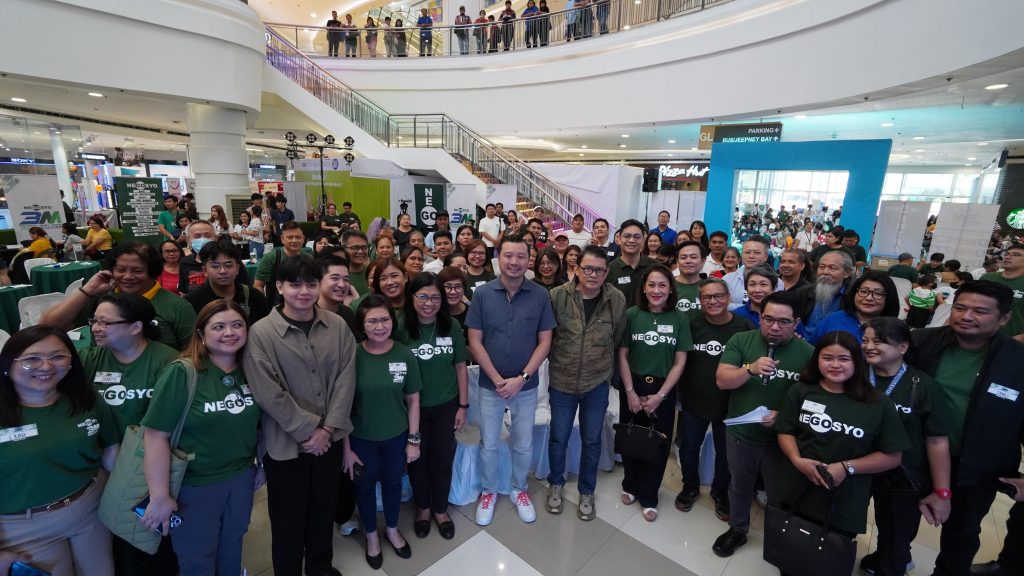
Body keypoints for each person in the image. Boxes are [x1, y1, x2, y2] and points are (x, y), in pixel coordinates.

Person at [244, 254, 357, 576]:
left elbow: (346, 379)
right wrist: (311, 430)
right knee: (287, 518)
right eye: (294, 284)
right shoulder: (261, 334)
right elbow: (269, 393)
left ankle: (320, 566)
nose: (303, 291)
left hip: (330, 440)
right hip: (285, 446)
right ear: (279, 286)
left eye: (310, 283)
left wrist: (329, 428)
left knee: (323, 510)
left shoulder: (336, 326)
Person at [905, 281, 1024, 576]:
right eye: (960, 307)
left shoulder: (1017, 361)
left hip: (978, 466)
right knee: (900, 519)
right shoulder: (921, 342)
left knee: (962, 532)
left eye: (980, 311)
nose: (967, 316)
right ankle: (891, 561)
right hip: (915, 455)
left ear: (1004, 318)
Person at [769, 331, 910, 575]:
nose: (835, 365)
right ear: (817, 360)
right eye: (827, 358)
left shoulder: (878, 404)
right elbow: (785, 430)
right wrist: (796, 459)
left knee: (826, 561)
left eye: (843, 359)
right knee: (790, 554)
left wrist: (847, 467)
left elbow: (892, 456)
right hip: (796, 487)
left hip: (843, 499)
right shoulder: (802, 390)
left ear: (857, 361)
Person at [140, 300, 260, 576]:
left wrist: (260, 466)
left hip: (241, 477)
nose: (229, 332)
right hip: (194, 485)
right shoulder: (182, 372)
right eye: (218, 326)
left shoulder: (251, 370)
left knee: (233, 543)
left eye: (237, 325)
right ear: (201, 334)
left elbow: (260, 425)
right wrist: (159, 497)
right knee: (197, 556)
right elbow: (155, 436)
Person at [0, 325, 119, 575]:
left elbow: (110, 449)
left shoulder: (86, 399)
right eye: (32, 358)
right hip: (23, 528)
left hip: (90, 510)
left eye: (58, 356)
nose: (46, 367)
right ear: (8, 364)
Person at [712, 291, 814, 557]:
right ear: (759, 316)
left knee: (778, 493)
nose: (775, 327)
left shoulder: (808, 353)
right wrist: (749, 369)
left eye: (784, 322)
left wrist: (782, 417)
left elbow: (814, 401)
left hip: (782, 440)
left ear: (797, 323)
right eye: (768, 319)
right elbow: (722, 380)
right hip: (741, 433)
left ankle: (780, 538)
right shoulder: (742, 340)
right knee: (740, 486)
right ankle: (738, 530)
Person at [466, 235, 556, 526]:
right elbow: (475, 341)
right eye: (508, 256)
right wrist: (496, 379)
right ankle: (489, 491)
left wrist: (521, 378)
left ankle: (519, 489)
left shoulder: (540, 295)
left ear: (529, 260)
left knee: (523, 443)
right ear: (498, 258)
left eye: (520, 256)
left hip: (526, 386)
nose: (514, 262)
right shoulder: (482, 294)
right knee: (489, 442)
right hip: (490, 386)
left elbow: (545, 342)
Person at [859, 317, 953, 576]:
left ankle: (890, 564)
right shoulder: (853, 375)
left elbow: (937, 441)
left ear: (903, 347)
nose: (869, 346)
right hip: (856, 466)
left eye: (878, 341)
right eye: (865, 340)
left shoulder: (923, 386)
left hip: (902, 474)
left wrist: (942, 492)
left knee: (895, 534)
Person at [546, 245, 627, 520]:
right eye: (588, 268)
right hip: (562, 380)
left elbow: (616, 338)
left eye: (600, 270)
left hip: (596, 382)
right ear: (576, 268)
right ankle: (556, 484)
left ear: (606, 273)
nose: (593, 275)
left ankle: (587, 490)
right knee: (559, 437)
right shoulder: (557, 296)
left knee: (592, 439)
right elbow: (549, 337)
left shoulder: (615, 299)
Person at [344, 295, 421, 569]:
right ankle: (372, 536)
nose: (379, 326)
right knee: (363, 487)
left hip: (396, 436)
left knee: (393, 484)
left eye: (385, 319)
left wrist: (413, 440)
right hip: (360, 439)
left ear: (393, 320)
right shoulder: (351, 355)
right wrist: (346, 449)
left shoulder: (404, 354)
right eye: (372, 321)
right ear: (362, 325)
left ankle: (391, 528)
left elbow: (413, 400)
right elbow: (340, 406)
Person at [674, 278, 755, 518]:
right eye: (707, 297)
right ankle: (689, 486)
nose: (713, 301)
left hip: (730, 403)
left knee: (725, 453)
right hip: (693, 399)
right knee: (688, 448)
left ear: (728, 298)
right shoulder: (690, 323)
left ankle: (720, 491)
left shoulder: (744, 327)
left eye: (718, 296)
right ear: (700, 301)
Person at [616, 265, 691, 522]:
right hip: (633, 385)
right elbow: (622, 355)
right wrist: (629, 392)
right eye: (651, 285)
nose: (656, 290)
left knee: (657, 442)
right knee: (631, 437)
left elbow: (680, 361)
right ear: (643, 288)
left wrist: (660, 395)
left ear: (670, 289)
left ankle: (649, 495)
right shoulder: (632, 314)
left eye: (662, 285)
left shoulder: (680, 318)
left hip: (663, 388)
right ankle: (630, 484)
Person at [401, 274, 468, 540]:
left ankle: (441, 510)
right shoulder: (400, 327)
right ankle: (424, 509)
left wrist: (463, 405)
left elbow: (461, 367)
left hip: (446, 405)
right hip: (410, 409)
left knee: (442, 459)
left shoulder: (450, 325)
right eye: (423, 296)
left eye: (436, 297)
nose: (430, 303)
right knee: (416, 460)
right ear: (412, 297)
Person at [41, 242, 198, 350]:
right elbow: (47, 327)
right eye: (121, 270)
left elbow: (193, 352)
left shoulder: (177, 306)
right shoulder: (100, 299)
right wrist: (88, 289)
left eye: (137, 271)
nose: (127, 277)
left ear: (153, 273)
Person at [184, 241, 269, 324]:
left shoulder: (255, 297)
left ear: (237, 269)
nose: (222, 271)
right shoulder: (191, 302)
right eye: (215, 266)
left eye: (228, 265)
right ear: (205, 270)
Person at [812, 270, 899, 344]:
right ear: (854, 293)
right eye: (864, 291)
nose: (869, 298)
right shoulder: (832, 320)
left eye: (878, 293)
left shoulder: (894, 328)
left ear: (889, 298)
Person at [793, 250, 855, 337]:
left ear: (847, 273)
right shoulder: (802, 293)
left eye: (832, 268)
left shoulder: (853, 297)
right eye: (822, 267)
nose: (825, 272)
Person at [253, 221, 305, 305]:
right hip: (277, 307)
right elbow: (258, 285)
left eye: (298, 237)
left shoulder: (308, 258)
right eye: (290, 237)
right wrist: (263, 307)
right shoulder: (271, 258)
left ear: (303, 238)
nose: (294, 240)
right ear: (282, 239)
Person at [981, 242, 1024, 340]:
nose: (1008, 257)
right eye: (1007, 254)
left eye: (1016, 255)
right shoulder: (987, 278)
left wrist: (1020, 338)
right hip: (978, 338)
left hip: (1012, 342)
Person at [723, 236, 784, 304]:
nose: (751, 256)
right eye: (747, 252)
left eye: (757, 252)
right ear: (741, 255)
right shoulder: (727, 279)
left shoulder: (777, 283)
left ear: (766, 256)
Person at [608, 219, 654, 303]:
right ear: (619, 239)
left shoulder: (655, 267)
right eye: (627, 236)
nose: (632, 240)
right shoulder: (609, 270)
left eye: (637, 236)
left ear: (643, 240)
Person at [177, 220, 218, 295]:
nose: (203, 240)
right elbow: (184, 292)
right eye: (197, 236)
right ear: (189, 241)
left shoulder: (229, 260)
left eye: (207, 236)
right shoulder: (185, 262)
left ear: (215, 238)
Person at [674, 240, 706, 313]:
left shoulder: (710, 288)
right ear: (677, 262)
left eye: (693, 257)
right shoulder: (666, 286)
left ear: (703, 261)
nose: (688, 261)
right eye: (683, 257)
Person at [343, 230, 372, 296]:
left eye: (364, 247)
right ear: (344, 249)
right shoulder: (340, 277)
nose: (360, 251)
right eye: (355, 248)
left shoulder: (372, 273)